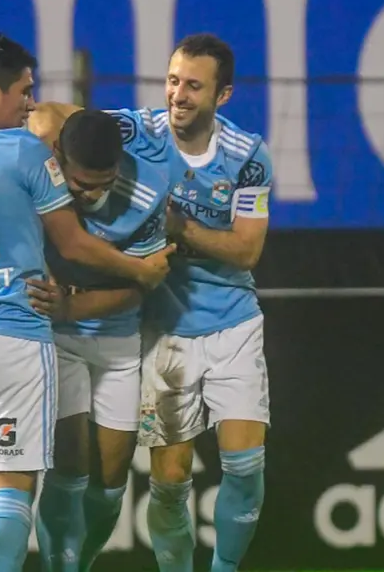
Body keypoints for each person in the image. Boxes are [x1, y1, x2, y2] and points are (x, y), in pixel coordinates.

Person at [0, 33, 174, 572]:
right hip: (13, 332)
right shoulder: (24, 150)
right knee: (14, 485)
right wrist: (141, 271)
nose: (31, 104)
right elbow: (70, 241)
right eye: (25, 91)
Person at [38, 32, 273, 572]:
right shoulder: (135, 131)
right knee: (169, 484)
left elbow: (247, 250)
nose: (178, 95)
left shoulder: (247, 156)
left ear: (224, 95)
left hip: (232, 323)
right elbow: (54, 116)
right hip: (162, 331)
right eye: (172, 81)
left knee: (244, 465)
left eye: (193, 85)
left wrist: (175, 225)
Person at [24, 109, 170, 571]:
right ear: (59, 158)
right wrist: (60, 309)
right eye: (81, 184)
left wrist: (72, 305)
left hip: (118, 344)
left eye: (103, 183)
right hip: (57, 342)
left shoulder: (149, 190)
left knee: (110, 484)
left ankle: (78, 564)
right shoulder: (36, 174)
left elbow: (139, 286)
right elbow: (45, 115)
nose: (91, 195)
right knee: (70, 467)